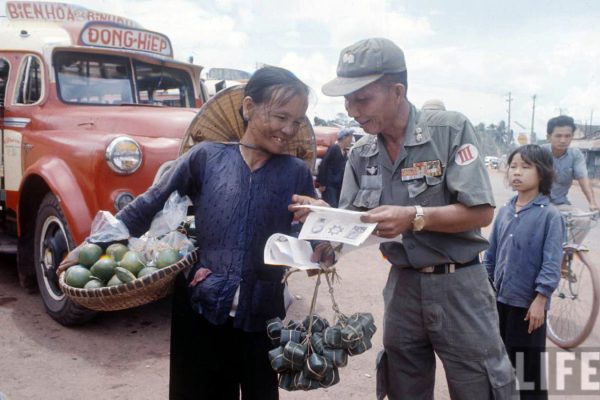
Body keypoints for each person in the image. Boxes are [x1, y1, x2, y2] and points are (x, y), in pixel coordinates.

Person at [59, 66, 333, 400]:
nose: (288, 129)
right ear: (249, 107)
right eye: (281, 117)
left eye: (297, 121)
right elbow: (149, 204)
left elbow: (307, 228)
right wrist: (90, 244)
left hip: (262, 314)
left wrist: (323, 244)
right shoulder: (206, 157)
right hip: (203, 307)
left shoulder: (295, 173)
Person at [292, 37, 516, 399]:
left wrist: (414, 216)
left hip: (460, 285)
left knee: (480, 385)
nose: (352, 110)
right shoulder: (361, 152)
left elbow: (481, 212)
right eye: (347, 100)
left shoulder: (449, 131)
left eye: (361, 98)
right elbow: (354, 223)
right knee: (403, 385)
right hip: (403, 288)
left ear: (397, 91)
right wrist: (322, 222)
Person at [484, 145, 562, 400]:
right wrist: (487, 290)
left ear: (543, 173)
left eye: (525, 167)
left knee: (528, 372)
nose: (517, 172)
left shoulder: (550, 215)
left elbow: (551, 262)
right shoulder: (505, 211)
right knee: (499, 364)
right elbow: (492, 255)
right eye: (513, 166)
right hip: (500, 301)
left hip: (529, 309)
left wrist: (541, 299)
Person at [542, 115, 598, 245]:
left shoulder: (575, 155)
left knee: (584, 220)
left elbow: (583, 178)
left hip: (561, 205)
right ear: (549, 136)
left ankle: (563, 254)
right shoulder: (539, 152)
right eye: (558, 136)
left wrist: (592, 202)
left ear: (572, 136)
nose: (563, 140)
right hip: (537, 204)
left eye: (567, 136)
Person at [317, 128, 354, 207]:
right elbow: (323, 165)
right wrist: (322, 183)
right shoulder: (334, 148)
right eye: (350, 137)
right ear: (344, 138)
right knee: (331, 206)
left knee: (337, 206)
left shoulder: (344, 152)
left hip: (338, 186)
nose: (351, 140)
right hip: (330, 185)